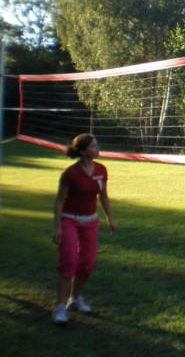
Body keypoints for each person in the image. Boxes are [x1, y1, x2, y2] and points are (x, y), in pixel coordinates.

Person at [52, 134, 116, 325]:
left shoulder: (101, 170)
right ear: (82, 151)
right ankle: (60, 307)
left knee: (88, 264)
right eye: (94, 146)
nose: (98, 148)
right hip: (69, 220)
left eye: (97, 144)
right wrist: (57, 227)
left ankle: (75, 298)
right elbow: (59, 201)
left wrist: (109, 218)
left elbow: (103, 196)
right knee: (69, 261)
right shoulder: (70, 173)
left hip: (90, 221)